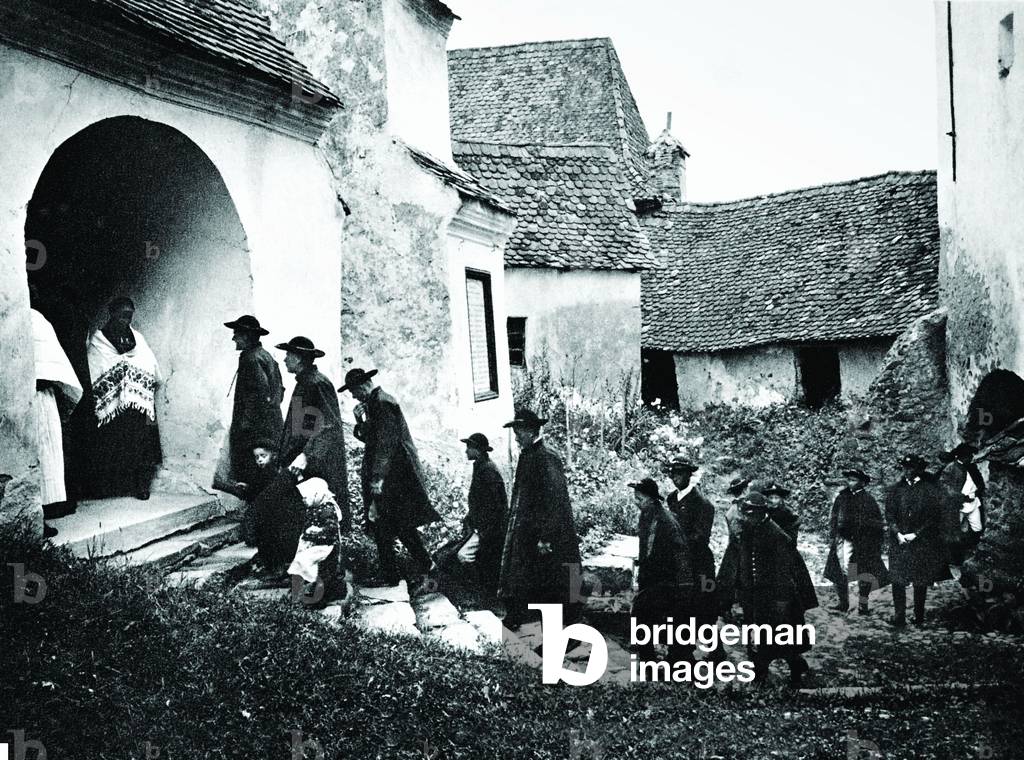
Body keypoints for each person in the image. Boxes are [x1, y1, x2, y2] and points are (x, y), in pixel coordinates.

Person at [252, 336, 348, 579]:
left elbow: (329, 427)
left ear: (300, 359)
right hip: (298, 464)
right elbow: (300, 427)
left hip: (312, 467)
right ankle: (284, 566)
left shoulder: (317, 383)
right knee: (285, 513)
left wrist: (306, 456)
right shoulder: (305, 382)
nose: (285, 359)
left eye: (289, 355)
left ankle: (283, 567)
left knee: (271, 507)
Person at [340, 368, 439, 588]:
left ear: (364, 386)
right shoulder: (376, 403)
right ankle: (410, 570)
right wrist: (360, 420)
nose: (354, 397)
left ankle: (403, 573)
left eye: (355, 391)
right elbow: (372, 438)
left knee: (388, 524)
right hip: (392, 476)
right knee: (391, 524)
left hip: (395, 477)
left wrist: (377, 478)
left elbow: (385, 444)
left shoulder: (382, 403)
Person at [716, 492, 818, 686]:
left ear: (761, 514)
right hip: (752, 597)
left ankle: (793, 670)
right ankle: (760, 675)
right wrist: (730, 598)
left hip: (776, 599)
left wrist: (781, 604)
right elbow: (736, 567)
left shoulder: (777, 536)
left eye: (749, 514)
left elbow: (785, 575)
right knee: (756, 639)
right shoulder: (745, 534)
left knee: (782, 640)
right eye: (744, 513)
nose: (745, 517)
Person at [499, 409, 583, 630]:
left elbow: (554, 501)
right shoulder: (528, 454)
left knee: (557, 582)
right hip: (529, 531)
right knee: (528, 576)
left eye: (518, 432)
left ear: (530, 431)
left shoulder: (546, 457)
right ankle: (519, 617)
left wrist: (546, 537)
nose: (516, 437)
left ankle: (567, 627)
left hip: (549, 535)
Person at [86, 297, 161, 499]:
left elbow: (150, 364)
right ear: (112, 313)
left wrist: (132, 378)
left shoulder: (137, 338)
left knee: (138, 444)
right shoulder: (99, 340)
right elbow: (96, 368)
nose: (125, 320)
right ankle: (112, 486)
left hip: (134, 405)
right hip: (112, 406)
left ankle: (139, 486)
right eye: (122, 315)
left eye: (129, 316)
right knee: (112, 444)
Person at [30, 288, 83, 537]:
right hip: (25, 397)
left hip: (41, 396)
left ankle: (41, 514)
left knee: (45, 454)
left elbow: (52, 360)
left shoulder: (38, 321)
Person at [219, 315, 284, 502]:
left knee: (255, 476)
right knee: (265, 476)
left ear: (246, 336)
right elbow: (278, 392)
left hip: (256, 430)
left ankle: (256, 520)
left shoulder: (251, 359)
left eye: (236, 334)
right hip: (268, 427)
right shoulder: (265, 356)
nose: (234, 339)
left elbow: (259, 396)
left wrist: (245, 428)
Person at [629, 478, 694, 664]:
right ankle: (649, 662)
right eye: (635, 498)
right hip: (651, 580)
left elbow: (682, 555)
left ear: (651, 499)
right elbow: (645, 549)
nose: (636, 502)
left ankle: (680, 664)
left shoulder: (667, 522)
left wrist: (684, 589)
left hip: (668, 582)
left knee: (671, 626)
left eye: (640, 499)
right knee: (641, 618)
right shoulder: (645, 516)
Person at [885, 454, 952, 628]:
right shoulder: (895, 489)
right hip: (898, 542)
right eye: (905, 468)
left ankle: (919, 616)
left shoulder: (929, 490)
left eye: (911, 468)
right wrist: (898, 534)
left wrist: (916, 534)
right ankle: (899, 616)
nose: (907, 471)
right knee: (898, 579)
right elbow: (890, 515)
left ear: (919, 469)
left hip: (921, 543)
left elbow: (933, 517)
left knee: (919, 580)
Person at [662, 459, 719, 644]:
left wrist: (676, 543)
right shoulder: (671, 499)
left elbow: (700, 538)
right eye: (673, 473)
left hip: (698, 563)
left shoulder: (703, 504)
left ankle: (715, 649)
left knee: (703, 607)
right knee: (679, 608)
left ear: (689, 475)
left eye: (680, 473)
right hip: (677, 564)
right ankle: (681, 652)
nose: (675, 477)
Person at [447, 433, 508, 598]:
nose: (466, 451)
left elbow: (496, 506)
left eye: (469, 447)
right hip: (481, 526)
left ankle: (477, 596)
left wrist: (483, 532)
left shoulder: (488, 470)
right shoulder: (481, 466)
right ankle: (478, 594)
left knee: (462, 556)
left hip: (489, 529)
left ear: (478, 450)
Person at [823, 468, 890, 615]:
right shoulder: (842, 497)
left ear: (862, 483)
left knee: (864, 574)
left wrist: (871, 540)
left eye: (854, 480)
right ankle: (843, 603)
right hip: (842, 540)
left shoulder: (868, 500)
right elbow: (834, 517)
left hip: (862, 543)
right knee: (837, 572)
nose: (850, 483)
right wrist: (833, 534)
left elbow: (876, 523)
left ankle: (863, 605)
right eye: (849, 479)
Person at [937, 443, 986, 566]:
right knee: (953, 531)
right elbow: (943, 485)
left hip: (974, 502)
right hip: (958, 504)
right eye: (968, 456)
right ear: (962, 456)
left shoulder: (972, 467)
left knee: (977, 528)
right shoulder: (951, 468)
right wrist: (960, 497)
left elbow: (979, 482)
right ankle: (952, 558)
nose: (970, 458)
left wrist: (977, 491)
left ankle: (971, 553)